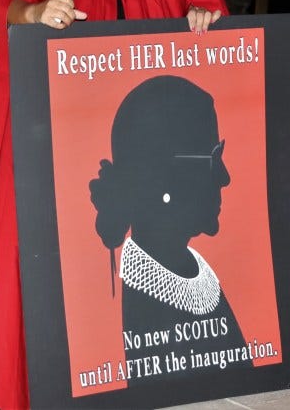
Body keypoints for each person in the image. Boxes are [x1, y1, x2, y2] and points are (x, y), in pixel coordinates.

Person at [0, 0, 229, 409]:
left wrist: (205, 15)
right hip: (74, 113)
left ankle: (167, 351)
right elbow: (5, 8)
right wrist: (38, 11)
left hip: (156, 120)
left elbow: (207, 1)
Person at [89, 76, 250, 381]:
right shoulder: (151, 299)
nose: (225, 177)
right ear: (162, 174)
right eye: (213, 157)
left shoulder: (190, 272)